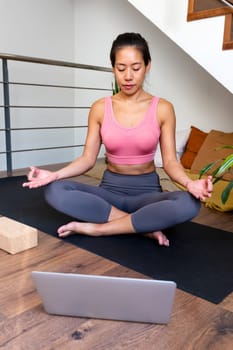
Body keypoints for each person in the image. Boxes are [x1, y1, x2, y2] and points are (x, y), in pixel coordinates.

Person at [23, 32, 213, 247]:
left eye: (136, 67)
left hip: (147, 195)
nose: (128, 76)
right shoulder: (100, 108)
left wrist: (190, 184)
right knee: (55, 189)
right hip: (108, 193)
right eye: (121, 68)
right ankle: (143, 227)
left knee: (188, 203)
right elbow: (87, 159)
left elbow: (170, 162)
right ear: (113, 68)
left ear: (147, 66)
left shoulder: (163, 108)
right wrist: (54, 174)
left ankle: (99, 229)